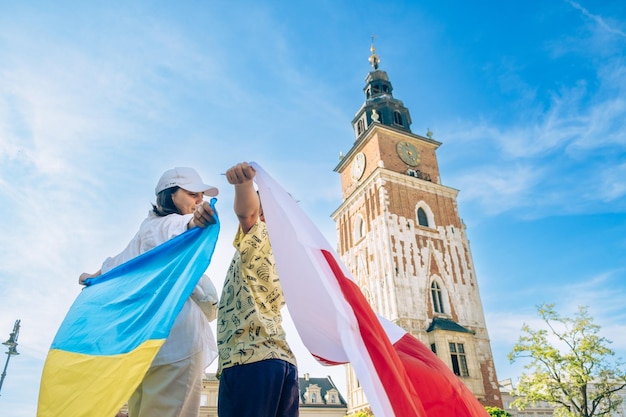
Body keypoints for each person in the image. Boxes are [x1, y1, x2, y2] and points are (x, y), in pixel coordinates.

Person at [80, 167, 220, 417]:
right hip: (178, 342)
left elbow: (118, 263)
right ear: (170, 195)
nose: (200, 200)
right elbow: (180, 226)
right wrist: (195, 220)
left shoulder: (146, 230)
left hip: (142, 345)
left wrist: (94, 277)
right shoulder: (171, 224)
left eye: (201, 195)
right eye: (192, 194)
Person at [216, 162, 299, 417]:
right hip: (282, 361)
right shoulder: (290, 256)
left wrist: (243, 184)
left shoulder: (260, 235)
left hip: (247, 359)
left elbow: (247, 215)